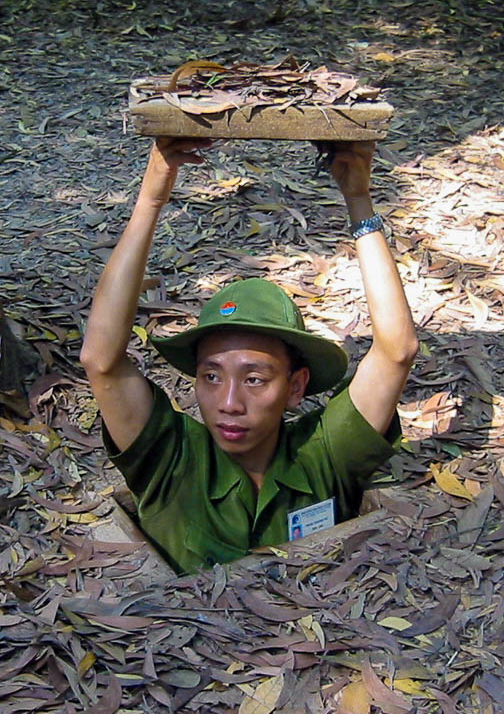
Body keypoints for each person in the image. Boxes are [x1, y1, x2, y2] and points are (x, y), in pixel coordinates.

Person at [80, 137, 417, 574]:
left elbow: (397, 350)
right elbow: (100, 359)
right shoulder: (171, 458)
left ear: (295, 387)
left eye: (255, 379)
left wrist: (359, 201)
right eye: (212, 377)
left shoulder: (324, 454)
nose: (229, 403)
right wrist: (150, 200)